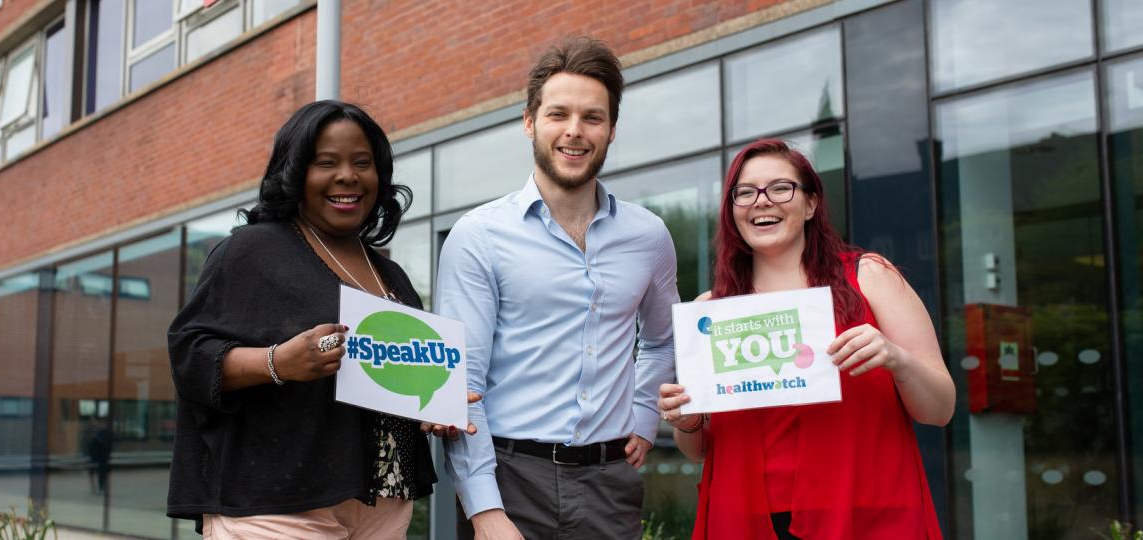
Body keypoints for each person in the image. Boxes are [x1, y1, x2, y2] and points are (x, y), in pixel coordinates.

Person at [435, 37, 679, 540]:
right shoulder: (478, 236)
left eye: (592, 117)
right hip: (509, 479)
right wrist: (483, 510)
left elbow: (662, 339)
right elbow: (462, 384)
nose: (575, 131)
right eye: (558, 114)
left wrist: (646, 413)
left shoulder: (649, 236)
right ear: (530, 121)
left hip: (611, 484)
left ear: (612, 129)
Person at [166, 100, 435, 539]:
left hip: (383, 499)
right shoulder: (251, 252)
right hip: (278, 502)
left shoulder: (390, 273)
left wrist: (434, 401)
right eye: (326, 163)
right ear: (295, 174)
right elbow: (188, 355)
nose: (347, 176)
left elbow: (395, 376)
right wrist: (277, 363)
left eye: (362, 163)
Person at [658, 139, 953, 539]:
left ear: (811, 204)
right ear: (732, 211)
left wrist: (897, 359)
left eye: (781, 188)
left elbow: (940, 409)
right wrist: (687, 419)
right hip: (745, 518)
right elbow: (699, 449)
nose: (762, 201)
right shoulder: (711, 310)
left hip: (864, 512)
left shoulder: (870, 278)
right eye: (745, 193)